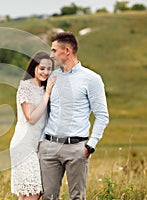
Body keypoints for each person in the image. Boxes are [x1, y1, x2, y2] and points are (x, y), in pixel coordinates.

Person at [38, 32, 109, 199]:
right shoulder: (52, 76)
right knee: (48, 196)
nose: (51, 54)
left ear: (67, 51)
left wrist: (90, 145)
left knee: (77, 197)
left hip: (77, 148)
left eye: (54, 50)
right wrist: (42, 142)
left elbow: (102, 115)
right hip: (49, 147)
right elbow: (46, 111)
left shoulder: (91, 79)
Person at [10, 51, 56, 200]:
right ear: (34, 67)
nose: (46, 72)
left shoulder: (43, 88)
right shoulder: (26, 87)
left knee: (27, 194)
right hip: (23, 146)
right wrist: (47, 94)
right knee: (33, 192)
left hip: (35, 146)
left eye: (49, 69)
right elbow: (31, 117)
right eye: (42, 68)